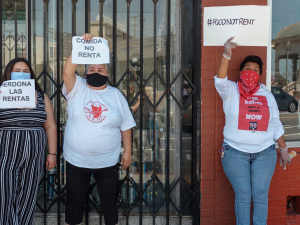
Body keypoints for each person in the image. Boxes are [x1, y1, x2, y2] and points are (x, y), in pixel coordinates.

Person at [215, 37, 291, 225]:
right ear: (241, 72)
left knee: (259, 195)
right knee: (243, 195)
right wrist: (226, 55)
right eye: (248, 68)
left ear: (260, 75)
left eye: (256, 70)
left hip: (264, 153)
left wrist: (283, 150)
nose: (251, 72)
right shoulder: (231, 90)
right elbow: (220, 81)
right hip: (235, 152)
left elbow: (275, 124)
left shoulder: (267, 95)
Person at [62, 33, 136, 225]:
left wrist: (127, 151)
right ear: (85, 74)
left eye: (100, 69)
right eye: (92, 69)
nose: (96, 72)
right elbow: (67, 73)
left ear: (107, 74)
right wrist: (81, 47)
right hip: (77, 160)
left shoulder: (116, 95)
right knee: (75, 201)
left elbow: (126, 125)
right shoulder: (77, 88)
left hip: (108, 162)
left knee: (110, 202)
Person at [0, 58, 57, 225]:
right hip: (6, 152)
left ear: (31, 75)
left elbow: (51, 125)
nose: (21, 74)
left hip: (34, 154)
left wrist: (52, 153)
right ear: (9, 74)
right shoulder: (1, 94)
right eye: (17, 71)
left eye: (26, 72)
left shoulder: (40, 96)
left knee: (28, 195)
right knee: (5, 195)